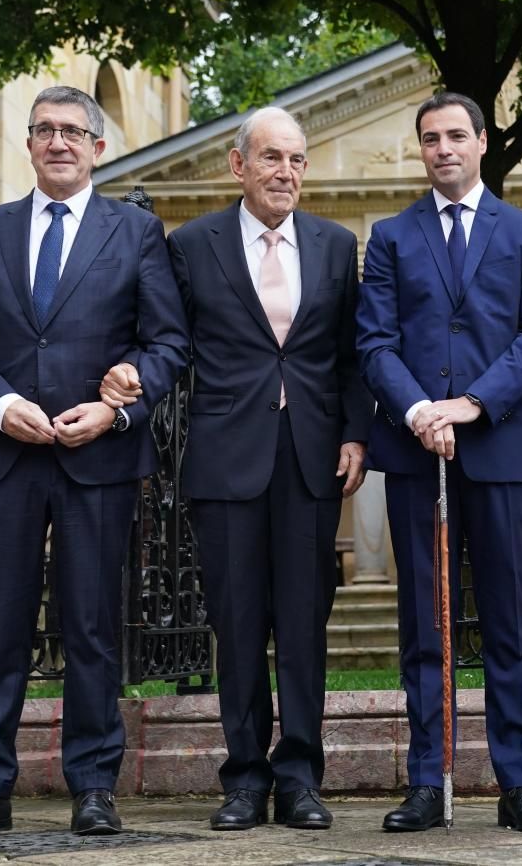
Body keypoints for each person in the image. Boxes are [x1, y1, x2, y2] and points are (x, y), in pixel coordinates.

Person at [0, 85, 188, 838]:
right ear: (30, 143)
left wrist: (118, 406)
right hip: (4, 458)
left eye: (74, 131)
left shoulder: (136, 233)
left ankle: (93, 787)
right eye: (44, 130)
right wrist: (1, 404)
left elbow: (169, 342)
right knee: (3, 625)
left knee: (91, 625)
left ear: (98, 148)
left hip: (97, 456)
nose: (59, 143)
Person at [129, 106, 371, 832]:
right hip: (225, 459)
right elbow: (169, 340)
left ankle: (299, 778)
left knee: (303, 626)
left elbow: (350, 355)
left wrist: (357, 434)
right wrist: (127, 387)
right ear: (239, 166)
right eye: (272, 158)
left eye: (297, 160)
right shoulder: (193, 245)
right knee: (235, 628)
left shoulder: (334, 244)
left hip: (310, 462)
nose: (286, 172)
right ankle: (243, 779)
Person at [356, 91, 522, 833]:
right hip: (419, 459)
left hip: (501, 452)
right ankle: (425, 779)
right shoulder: (389, 236)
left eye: (454, 136)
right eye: (429, 139)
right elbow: (374, 342)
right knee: (425, 627)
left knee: (507, 623)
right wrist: (417, 411)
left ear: (481, 141)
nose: (442, 148)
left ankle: (520, 783)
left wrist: (473, 404)